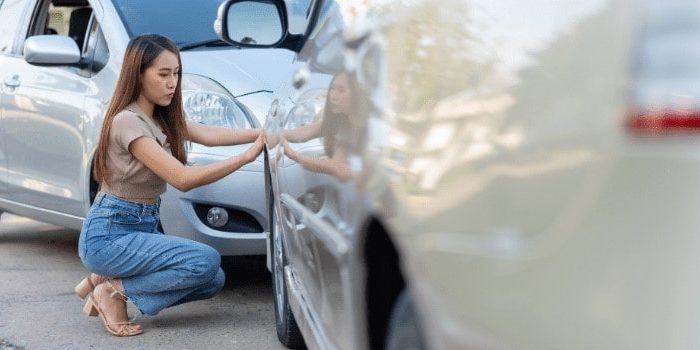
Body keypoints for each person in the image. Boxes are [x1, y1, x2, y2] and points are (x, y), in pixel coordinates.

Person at [74, 34, 264, 337]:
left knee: (213, 279)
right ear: (138, 74)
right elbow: (182, 179)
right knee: (205, 260)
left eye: (176, 73)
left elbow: (210, 133)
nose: (172, 82)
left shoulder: (161, 118)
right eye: (163, 74)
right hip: (110, 233)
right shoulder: (127, 121)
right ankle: (112, 291)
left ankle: (107, 282)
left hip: (141, 226)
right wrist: (246, 157)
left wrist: (267, 134)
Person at [282, 72, 367, 182]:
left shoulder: (360, 126)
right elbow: (302, 133)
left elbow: (337, 168)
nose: (333, 96)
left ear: (356, 95)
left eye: (341, 90)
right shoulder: (339, 121)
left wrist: (293, 155)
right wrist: (268, 134)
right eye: (332, 89)